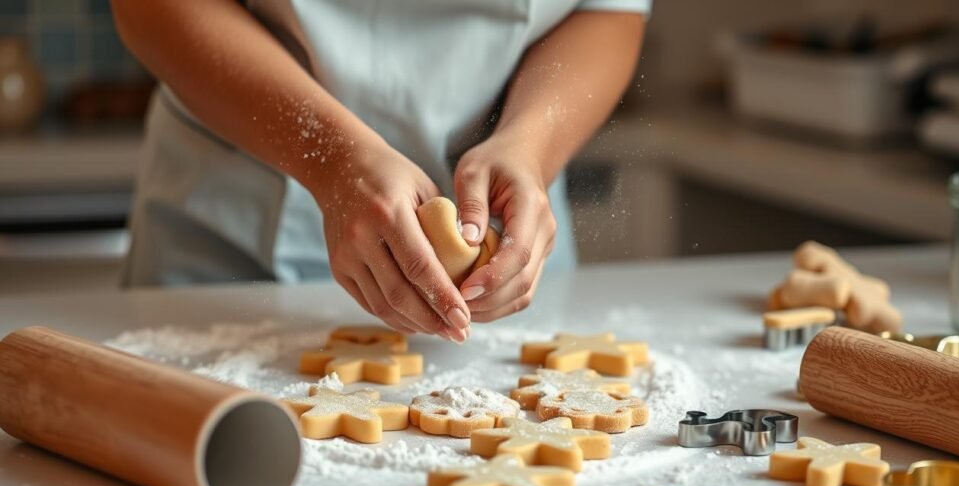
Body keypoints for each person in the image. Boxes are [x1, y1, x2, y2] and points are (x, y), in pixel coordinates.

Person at [112, 0, 648, 343]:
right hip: (230, 237)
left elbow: (609, 10)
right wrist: (329, 156)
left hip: (504, 260)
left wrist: (530, 145)